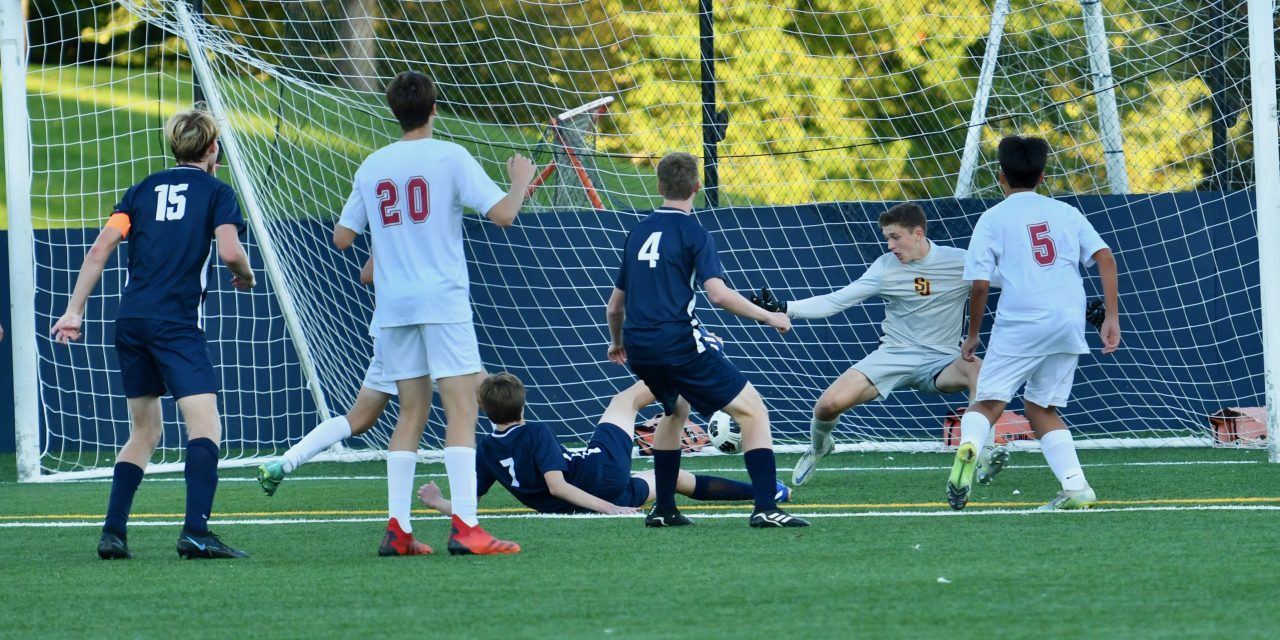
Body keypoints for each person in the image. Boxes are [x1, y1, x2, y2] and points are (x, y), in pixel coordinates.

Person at [332, 70, 535, 556]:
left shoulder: (373, 164)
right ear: (435, 108)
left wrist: (392, 241)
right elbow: (503, 214)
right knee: (463, 409)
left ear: (393, 110)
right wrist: (520, 182)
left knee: (409, 416)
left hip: (395, 306)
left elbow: (343, 238)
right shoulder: (450, 156)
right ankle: (467, 529)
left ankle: (397, 530)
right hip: (441, 301)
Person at [52, 106, 257, 559]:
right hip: (176, 324)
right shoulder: (216, 192)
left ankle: (113, 534)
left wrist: (73, 311)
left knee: (143, 433)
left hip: (132, 322)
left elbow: (101, 247)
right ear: (212, 149)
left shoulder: (142, 190)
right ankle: (196, 532)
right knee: (205, 426)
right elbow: (229, 251)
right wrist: (246, 274)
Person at [606, 151, 808, 528]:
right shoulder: (694, 232)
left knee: (674, 409)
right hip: (677, 343)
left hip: (639, 344)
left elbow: (615, 306)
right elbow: (717, 294)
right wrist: (769, 315)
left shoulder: (637, 232)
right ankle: (766, 507)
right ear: (697, 187)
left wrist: (617, 342)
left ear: (659, 186)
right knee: (753, 411)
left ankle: (664, 509)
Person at [750, 203, 1005, 486]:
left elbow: (1007, 280)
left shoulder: (961, 261)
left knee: (979, 369)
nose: (890, 245)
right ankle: (820, 446)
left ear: (918, 233)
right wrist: (786, 308)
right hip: (893, 356)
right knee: (827, 406)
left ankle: (985, 452)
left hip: (943, 361)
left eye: (895, 237)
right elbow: (838, 300)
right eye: (887, 238)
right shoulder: (885, 268)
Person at [949, 134, 1120, 511]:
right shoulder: (1066, 213)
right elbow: (1105, 258)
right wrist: (1112, 317)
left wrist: (973, 334)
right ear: (1043, 176)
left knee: (988, 402)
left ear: (1000, 176)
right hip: (1067, 321)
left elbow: (979, 284)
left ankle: (971, 447)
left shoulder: (992, 218)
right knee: (1041, 407)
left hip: (1021, 322)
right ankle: (1077, 488)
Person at [417, 373, 793, 516]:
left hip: (585, 498)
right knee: (624, 401)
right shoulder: (536, 431)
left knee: (673, 479)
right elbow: (558, 484)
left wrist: (437, 502)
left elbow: (469, 505)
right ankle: (683, 372)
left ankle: (770, 492)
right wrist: (610, 510)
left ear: (483, 410)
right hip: (599, 472)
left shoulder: (485, 449)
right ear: (524, 403)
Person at [256, 258, 395, 495]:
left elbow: (366, 274)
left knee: (359, 419)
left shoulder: (384, 223)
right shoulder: (434, 229)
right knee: (470, 394)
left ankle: (285, 462)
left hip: (388, 332)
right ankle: (458, 509)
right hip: (426, 327)